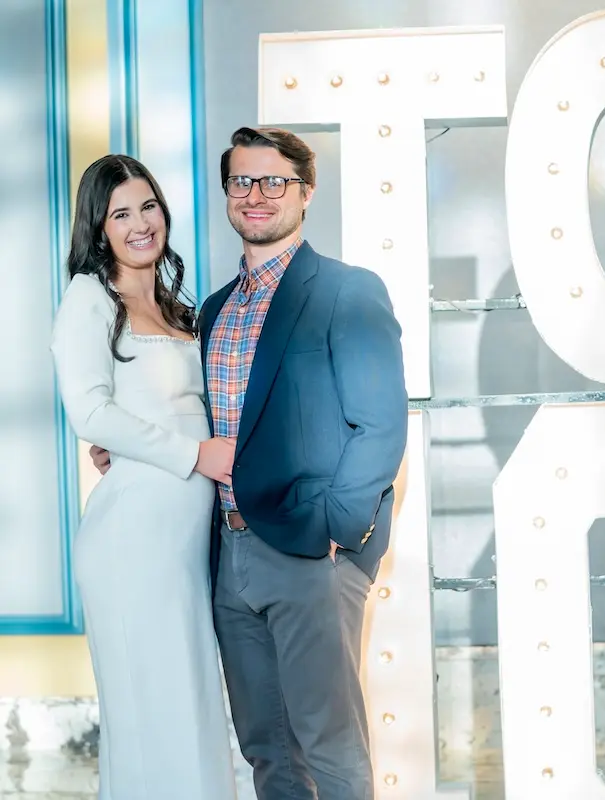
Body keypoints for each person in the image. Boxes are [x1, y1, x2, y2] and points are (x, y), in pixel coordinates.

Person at [90, 127, 409, 799]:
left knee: (331, 746)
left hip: (308, 556)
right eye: (242, 181)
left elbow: (378, 424)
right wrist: (127, 446)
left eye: (274, 181)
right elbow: (200, 418)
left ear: (306, 192)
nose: (256, 195)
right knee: (266, 746)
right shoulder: (211, 311)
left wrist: (338, 532)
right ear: (228, 194)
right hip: (227, 561)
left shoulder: (347, 292)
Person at [50, 154, 238, 800]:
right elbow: (90, 411)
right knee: (149, 716)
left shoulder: (173, 306)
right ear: (97, 227)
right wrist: (193, 455)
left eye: (148, 206)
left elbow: (163, 405)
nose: (139, 224)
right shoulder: (87, 298)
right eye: (120, 213)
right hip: (132, 545)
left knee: (192, 709)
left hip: (186, 545)